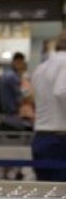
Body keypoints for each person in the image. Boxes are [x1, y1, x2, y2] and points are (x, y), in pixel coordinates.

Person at [31, 32, 66, 181]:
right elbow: (62, 91)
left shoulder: (41, 68)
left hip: (41, 138)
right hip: (60, 141)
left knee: (46, 195)